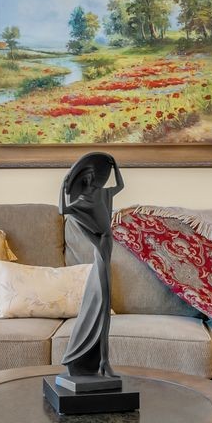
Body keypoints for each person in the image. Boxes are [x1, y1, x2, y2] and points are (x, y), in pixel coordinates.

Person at [56, 150, 123, 384]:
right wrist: (63, 187)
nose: (93, 178)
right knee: (103, 307)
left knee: (105, 310)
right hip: (100, 247)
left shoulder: (104, 195)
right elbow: (63, 210)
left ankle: (103, 362)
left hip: (108, 244)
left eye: (96, 175)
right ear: (83, 179)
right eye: (89, 175)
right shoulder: (81, 202)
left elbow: (120, 187)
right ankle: (99, 362)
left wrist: (114, 166)